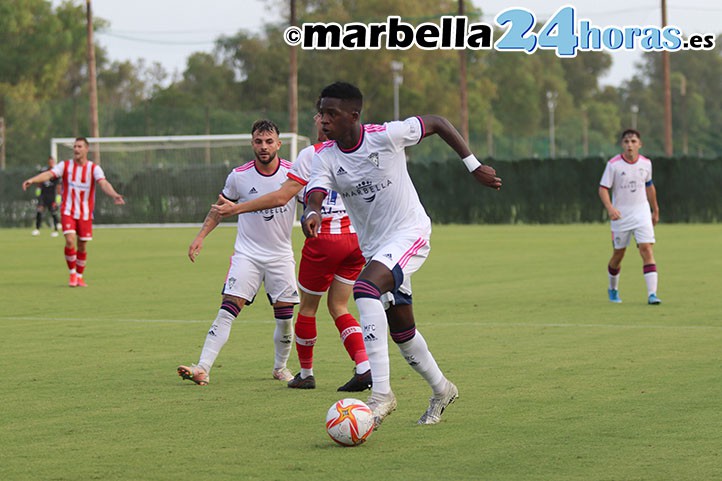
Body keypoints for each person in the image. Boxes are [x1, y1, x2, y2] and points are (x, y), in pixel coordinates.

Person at [302, 81, 502, 428]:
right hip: (376, 249)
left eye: (332, 113)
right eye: (322, 113)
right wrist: (311, 213)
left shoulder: (386, 135)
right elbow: (316, 192)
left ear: (354, 115)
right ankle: (443, 390)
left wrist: (473, 165)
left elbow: (437, 122)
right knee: (403, 333)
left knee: (364, 290)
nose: (324, 120)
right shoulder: (324, 155)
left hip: (410, 233)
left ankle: (381, 396)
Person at [211, 111, 371, 392]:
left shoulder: (311, 155)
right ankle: (364, 366)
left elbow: (283, 196)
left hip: (324, 241)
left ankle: (306, 373)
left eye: (321, 119)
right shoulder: (358, 151)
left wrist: (236, 208)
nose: (319, 122)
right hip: (354, 240)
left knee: (308, 309)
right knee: (340, 306)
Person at [178, 119, 300, 386]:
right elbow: (220, 208)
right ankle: (203, 367)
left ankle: (280, 367)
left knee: (285, 319)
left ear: (279, 144)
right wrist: (200, 236)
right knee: (228, 308)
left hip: (280, 256)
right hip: (248, 255)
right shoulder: (239, 176)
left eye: (269, 141)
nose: (264, 146)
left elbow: (312, 203)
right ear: (252, 143)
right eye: (258, 141)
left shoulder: (294, 174)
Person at [22, 138, 125, 287]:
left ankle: (79, 276)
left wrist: (114, 194)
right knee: (70, 241)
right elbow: (49, 174)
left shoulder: (94, 168)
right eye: (75, 146)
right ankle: (72, 274)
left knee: (82, 245)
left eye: (79, 146)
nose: (76, 149)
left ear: (86, 149)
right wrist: (32, 180)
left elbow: (103, 183)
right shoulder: (65, 166)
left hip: (85, 213)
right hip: (68, 210)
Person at [599, 128, 661, 305]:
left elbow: (649, 186)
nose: (630, 145)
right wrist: (610, 208)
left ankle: (652, 294)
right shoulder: (613, 165)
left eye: (633, 141)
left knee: (646, 249)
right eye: (626, 142)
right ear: (622, 145)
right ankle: (613, 289)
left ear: (640, 144)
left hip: (641, 213)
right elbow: (603, 188)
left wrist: (655, 210)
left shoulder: (646, 164)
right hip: (621, 216)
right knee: (619, 254)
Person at [31, 156, 62, 237]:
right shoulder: (43, 170)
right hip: (43, 194)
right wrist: (38, 189)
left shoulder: (56, 173)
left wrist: (58, 196)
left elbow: (59, 185)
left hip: (52, 195)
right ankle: (37, 229)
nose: (51, 163)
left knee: (53, 212)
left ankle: (55, 230)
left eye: (52, 161)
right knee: (39, 210)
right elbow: (39, 181)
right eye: (50, 161)